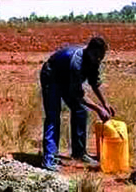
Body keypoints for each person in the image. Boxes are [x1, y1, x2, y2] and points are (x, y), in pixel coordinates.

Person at [40, 36, 115, 171]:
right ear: (89, 50)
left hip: (67, 77)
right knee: (53, 116)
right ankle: (49, 159)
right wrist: (98, 109)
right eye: (97, 56)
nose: (99, 60)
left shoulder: (94, 60)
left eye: (101, 57)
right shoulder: (77, 62)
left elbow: (94, 83)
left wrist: (105, 104)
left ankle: (79, 153)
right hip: (51, 75)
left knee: (81, 111)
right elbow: (79, 95)